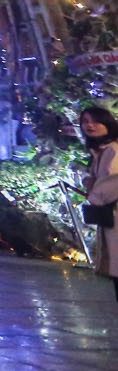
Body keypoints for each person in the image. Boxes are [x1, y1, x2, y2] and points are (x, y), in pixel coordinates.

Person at [79, 104, 118, 300]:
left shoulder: (113, 149)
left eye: (95, 121)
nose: (90, 125)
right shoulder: (100, 151)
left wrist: (94, 190)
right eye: (85, 121)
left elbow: (113, 182)